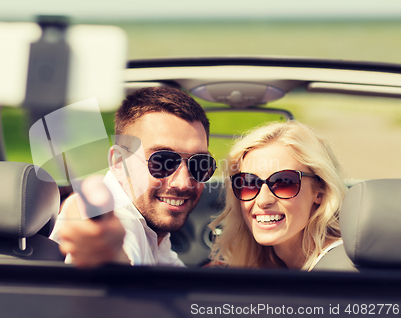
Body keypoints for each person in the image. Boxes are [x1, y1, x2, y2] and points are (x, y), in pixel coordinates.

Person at [52, 87, 216, 268]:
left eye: (199, 164)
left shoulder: (154, 233)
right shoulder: (121, 220)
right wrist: (108, 254)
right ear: (119, 162)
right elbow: (119, 256)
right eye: (162, 162)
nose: (183, 183)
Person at [209, 121, 350, 271]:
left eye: (284, 182)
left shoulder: (337, 272)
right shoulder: (274, 264)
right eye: (249, 183)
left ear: (320, 190)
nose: (263, 201)